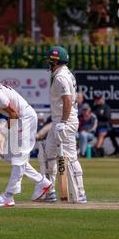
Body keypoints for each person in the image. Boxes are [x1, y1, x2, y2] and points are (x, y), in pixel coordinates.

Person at [39, 46, 87, 203]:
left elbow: (67, 99)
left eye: (50, 62)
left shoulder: (61, 77)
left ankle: (80, 194)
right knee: (48, 154)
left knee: (70, 157)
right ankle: (50, 191)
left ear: (55, 62)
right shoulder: (64, 74)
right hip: (58, 121)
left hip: (65, 121)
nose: (48, 66)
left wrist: (64, 122)